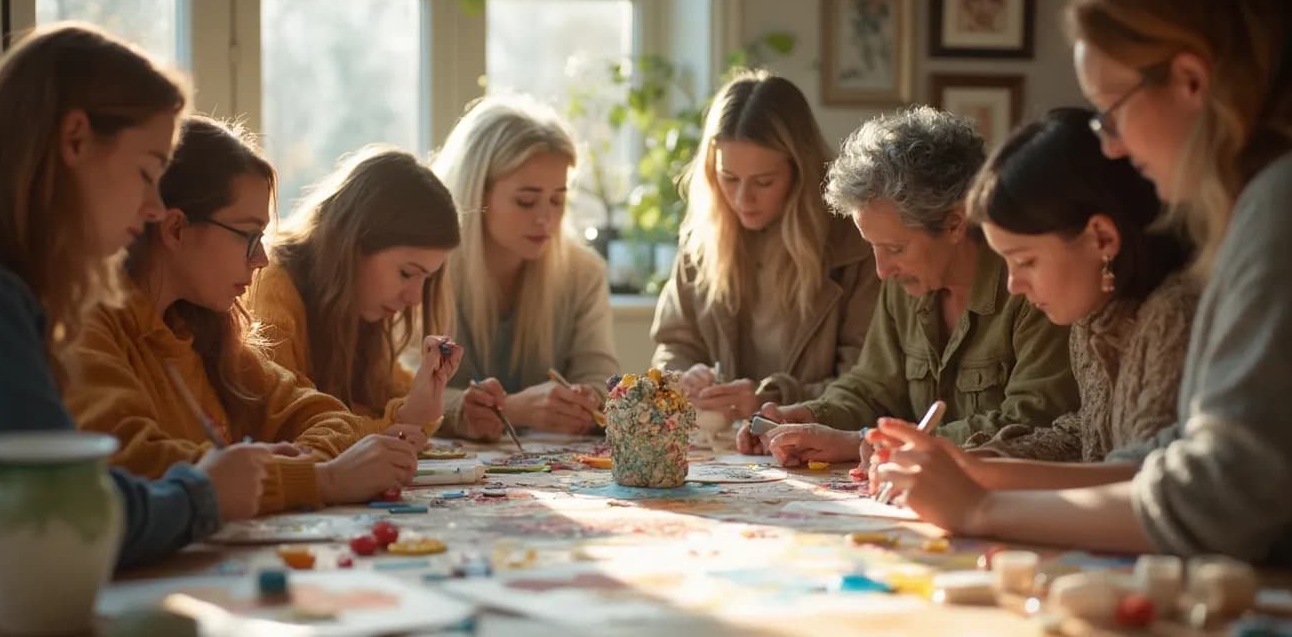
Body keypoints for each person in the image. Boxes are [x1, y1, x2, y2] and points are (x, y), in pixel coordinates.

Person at [869, 0, 1292, 614]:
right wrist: (989, 475)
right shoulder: (1290, 191)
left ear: (1190, 81)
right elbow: (1173, 457)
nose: (1113, 145)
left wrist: (980, 508)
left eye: (1110, 112)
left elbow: (1216, 498)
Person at [0, 25, 264, 634]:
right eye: (147, 171)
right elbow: (60, 518)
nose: (156, 205)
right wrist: (201, 496)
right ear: (75, 139)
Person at [65, 116, 421, 513]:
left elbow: (331, 419)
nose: (262, 259)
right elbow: (136, 466)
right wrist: (320, 479)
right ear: (176, 229)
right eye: (250, 236)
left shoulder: (200, 330)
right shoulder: (84, 327)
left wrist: (289, 467)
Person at [737, 107, 1078, 466]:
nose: (882, 271)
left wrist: (864, 442)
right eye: (874, 247)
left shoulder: (1033, 290)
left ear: (954, 224)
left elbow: (1030, 425)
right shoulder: (907, 283)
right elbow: (872, 389)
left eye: (895, 248)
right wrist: (807, 417)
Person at [961, 107, 1197, 461]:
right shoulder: (1093, 317)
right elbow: (1088, 433)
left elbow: (1138, 475)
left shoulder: (1174, 317)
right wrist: (981, 457)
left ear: (1101, 238)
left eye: (1026, 261)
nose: (1013, 285)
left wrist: (990, 475)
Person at [651, 70, 877, 423]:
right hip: (725, 450)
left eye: (764, 182)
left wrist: (770, 400)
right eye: (729, 179)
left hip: (815, 445)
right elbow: (673, 347)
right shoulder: (702, 242)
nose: (743, 199)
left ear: (800, 172)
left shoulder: (856, 247)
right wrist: (684, 376)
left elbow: (867, 384)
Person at [431, 96, 619, 439]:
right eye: (526, 201)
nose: (546, 218)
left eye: (558, 200)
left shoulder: (583, 274)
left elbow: (604, 380)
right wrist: (512, 410)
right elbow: (396, 392)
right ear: (477, 195)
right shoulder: (427, 270)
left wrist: (587, 400)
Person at [247, 145, 461, 439]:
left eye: (426, 278)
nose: (414, 298)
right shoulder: (271, 285)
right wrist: (403, 420)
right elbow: (290, 426)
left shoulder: (355, 308)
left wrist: (444, 406)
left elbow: (395, 399)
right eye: (407, 273)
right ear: (352, 244)